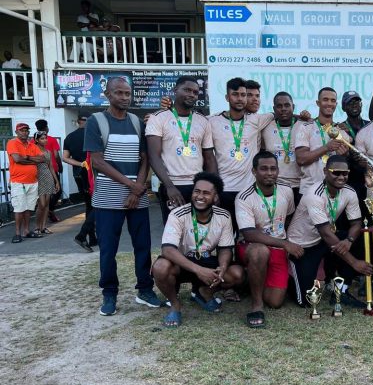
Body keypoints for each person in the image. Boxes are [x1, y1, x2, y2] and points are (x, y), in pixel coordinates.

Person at [84, 77, 165, 316]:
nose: (124, 97)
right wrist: (131, 185)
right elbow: (97, 160)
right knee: (109, 248)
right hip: (108, 195)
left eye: (127, 93)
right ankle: (109, 294)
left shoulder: (137, 123)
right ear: (107, 95)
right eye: (119, 93)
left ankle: (145, 289)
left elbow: (146, 158)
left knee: (143, 246)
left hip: (136, 195)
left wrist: (137, 187)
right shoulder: (96, 121)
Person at [153, 172, 245, 328]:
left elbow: (225, 249)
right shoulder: (178, 214)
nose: (200, 196)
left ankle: (204, 293)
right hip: (181, 262)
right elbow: (167, 250)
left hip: (206, 261)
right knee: (160, 267)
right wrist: (199, 270)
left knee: (237, 273)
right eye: (197, 191)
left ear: (215, 197)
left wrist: (222, 268)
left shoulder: (224, 216)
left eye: (206, 193)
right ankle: (175, 305)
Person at [287, 155, 373, 306]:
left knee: (359, 239)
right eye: (336, 172)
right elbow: (325, 233)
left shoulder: (349, 192)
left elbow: (357, 223)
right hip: (303, 245)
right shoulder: (314, 194)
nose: (341, 177)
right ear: (325, 171)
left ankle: (340, 289)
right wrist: (354, 263)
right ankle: (286, 281)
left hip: (325, 240)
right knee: (306, 301)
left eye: (345, 173)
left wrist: (349, 240)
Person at [235, 152, 303, 327]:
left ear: (278, 171)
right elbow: (249, 234)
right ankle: (256, 304)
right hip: (252, 247)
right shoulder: (244, 197)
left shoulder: (286, 191)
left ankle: (250, 281)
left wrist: (286, 243)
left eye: (273, 168)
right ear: (254, 171)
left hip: (278, 248)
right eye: (263, 169)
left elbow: (288, 218)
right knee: (260, 251)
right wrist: (286, 243)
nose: (269, 173)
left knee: (275, 302)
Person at [146, 76, 217, 223]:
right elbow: (154, 156)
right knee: (174, 231)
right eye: (187, 90)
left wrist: (213, 188)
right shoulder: (158, 118)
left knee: (199, 229)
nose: (192, 94)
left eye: (195, 92)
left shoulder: (203, 121)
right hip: (172, 185)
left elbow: (209, 157)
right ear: (175, 90)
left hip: (198, 185)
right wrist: (169, 186)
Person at [208, 78, 275, 223]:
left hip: (249, 191)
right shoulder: (212, 121)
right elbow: (190, 119)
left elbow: (284, 114)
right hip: (224, 189)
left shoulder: (256, 120)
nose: (240, 99)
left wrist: (305, 118)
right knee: (225, 233)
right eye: (235, 94)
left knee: (248, 233)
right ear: (227, 97)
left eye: (243, 95)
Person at [294, 87, 350, 194]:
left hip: (333, 190)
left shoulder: (341, 131)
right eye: (325, 99)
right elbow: (301, 159)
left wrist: (343, 156)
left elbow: (345, 163)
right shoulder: (306, 127)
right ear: (318, 103)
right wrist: (326, 148)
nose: (329, 103)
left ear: (336, 104)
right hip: (309, 189)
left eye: (333, 101)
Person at [262, 91, 304, 202]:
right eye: (279, 106)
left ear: (293, 107)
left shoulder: (304, 126)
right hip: (276, 186)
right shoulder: (265, 128)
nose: (283, 109)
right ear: (274, 109)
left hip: (300, 186)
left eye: (287, 105)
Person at [6, 123, 45, 243]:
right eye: (22, 130)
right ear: (17, 132)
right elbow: (17, 159)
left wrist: (27, 158)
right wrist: (33, 161)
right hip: (18, 181)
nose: (25, 132)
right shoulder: (12, 143)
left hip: (32, 181)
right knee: (19, 208)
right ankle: (17, 233)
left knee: (28, 208)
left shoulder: (32, 145)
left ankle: (26, 231)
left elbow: (42, 159)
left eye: (26, 130)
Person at [63, 114, 96, 251]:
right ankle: (85, 235)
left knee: (90, 205)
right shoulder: (93, 135)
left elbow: (65, 158)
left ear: (78, 122)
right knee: (96, 205)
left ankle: (91, 236)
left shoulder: (69, 137)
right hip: (92, 174)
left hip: (79, 173)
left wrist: (80, 164)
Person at [32, 131, 60, 235]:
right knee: (41, 204)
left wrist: (56, 181)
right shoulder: (34, 150)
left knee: (47, 203)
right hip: (38, 178)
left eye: (45, 138)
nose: (45, 140)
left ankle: (43, 227)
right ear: (37, 140)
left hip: (48, 177)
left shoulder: (48, 151)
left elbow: (51, 167)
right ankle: (37, 227)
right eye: (42, 138)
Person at [35, 119, 63, 222]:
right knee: (57, 191)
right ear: (46, 127)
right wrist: (60, 166)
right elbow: (56, 155)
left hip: (38, 172)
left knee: (43, 194)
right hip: (52, 169)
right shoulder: (51, 139)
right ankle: (50, 210)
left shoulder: (33, 141)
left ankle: (44, 215)